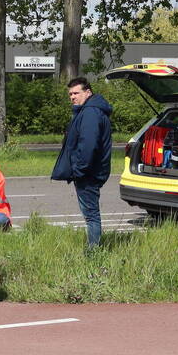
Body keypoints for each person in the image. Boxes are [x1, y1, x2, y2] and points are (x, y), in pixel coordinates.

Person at [51, 77, 113, 249]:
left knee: (91, 215)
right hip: (90, 172)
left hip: (88, 173)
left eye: (76, 93)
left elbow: (88, 144)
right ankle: (94, 249)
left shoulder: (91, 113)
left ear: (88, 92)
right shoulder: (89, 111)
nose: (72, 97)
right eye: (70, 94)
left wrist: (79, 170)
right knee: (91, 214)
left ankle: (93, 252)